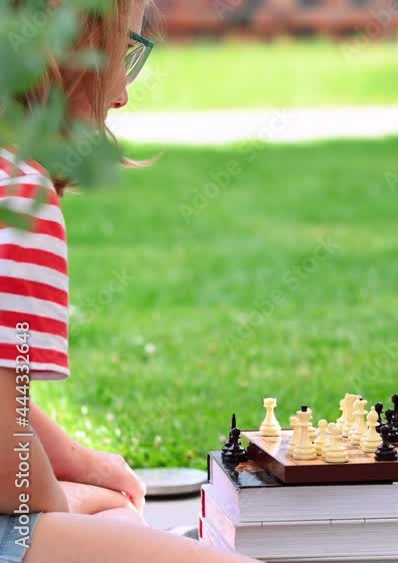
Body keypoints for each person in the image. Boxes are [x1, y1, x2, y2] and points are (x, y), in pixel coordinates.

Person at [0, 1, 257, 560]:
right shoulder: (17, 196)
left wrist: (86, 467)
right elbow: (8, 475)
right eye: (126, 53)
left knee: (115, 507)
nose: (121, 92)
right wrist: (60, 503)